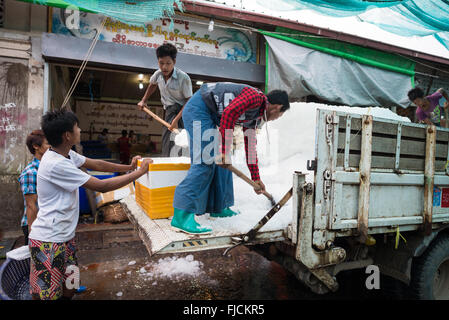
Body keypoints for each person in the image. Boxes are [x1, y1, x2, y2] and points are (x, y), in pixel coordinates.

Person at [28, 109, 152, 300]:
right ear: (67, 135)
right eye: (77, 127)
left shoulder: (66, 154)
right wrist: (139, 173)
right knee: (50, 295)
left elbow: (98, 165)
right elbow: (101, 186)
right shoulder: (56, 163)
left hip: (65, 236)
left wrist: (129, 167)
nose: (80, 129)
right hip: (48, 241)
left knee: (71, 285)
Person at [171, 82, 289, 234]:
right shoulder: (255, 97)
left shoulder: (255, 115)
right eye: (280, 115)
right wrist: (224, 151)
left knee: (224, 164)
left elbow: (250, 145)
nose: (276, 118)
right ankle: (181, 217)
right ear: (278, 107)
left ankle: (219, 207)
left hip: (211, 115)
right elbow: (229, 113)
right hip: (199, 109)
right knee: (205, 161)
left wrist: (256, 178)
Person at [137, 42, 193, 156]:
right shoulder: (158, 74)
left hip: (183, 111)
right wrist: (144, 100)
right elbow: (152, 85)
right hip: (168, 110)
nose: (164, 67)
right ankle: (168, 160)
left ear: (174, 62)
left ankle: (180, 162)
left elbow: (189, 101)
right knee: (168, 140)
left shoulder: (183, 78)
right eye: (161, 63)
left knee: (179, 140)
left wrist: (176, 120)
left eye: (168, 63)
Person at [18, 130, 50, 245]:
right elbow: (31, 205)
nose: (51, 147)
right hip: (35, 225)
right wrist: (34, 234)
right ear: (36, 146)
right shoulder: (30, 172)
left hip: (46, 224)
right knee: (35, 261)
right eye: (48, 144)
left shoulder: (48, 168)